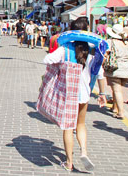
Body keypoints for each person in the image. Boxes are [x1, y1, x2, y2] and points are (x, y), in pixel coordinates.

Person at [44, 37, 105, 172]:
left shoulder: (65, 49)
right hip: (84, 94)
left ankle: (69, 163)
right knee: (81, 124)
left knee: (68, 128)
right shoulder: (92, 52)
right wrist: (102, 94)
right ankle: (83, 152)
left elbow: (47, 59)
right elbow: (100, 74)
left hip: (68, 94)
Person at [104, 24, 128, 119]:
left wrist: (102, 63)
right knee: (117, 89)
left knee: (117, 90)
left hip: (114, 69)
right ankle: (115, 107)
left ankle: (121, 112)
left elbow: (105, 54)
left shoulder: (110, 42)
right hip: (126, 70)